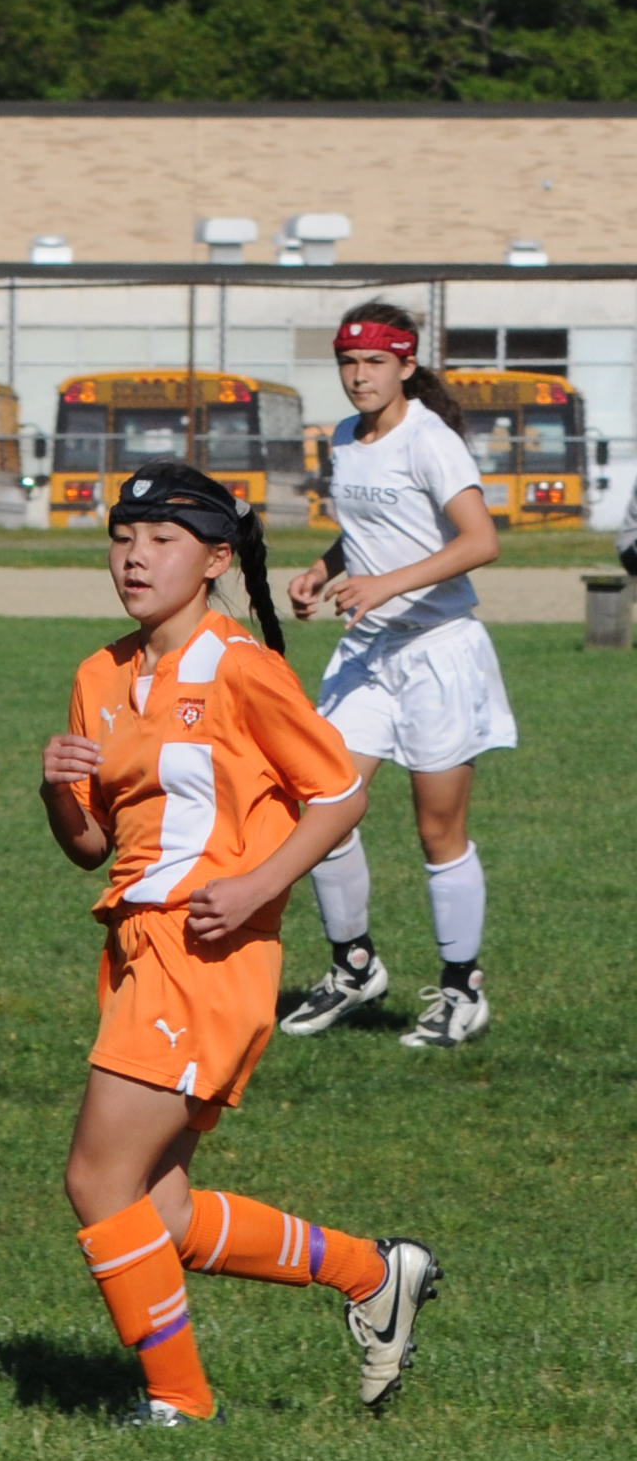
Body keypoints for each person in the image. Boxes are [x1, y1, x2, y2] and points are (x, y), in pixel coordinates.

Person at [41, 464, 434, 1426]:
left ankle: (179, 1403)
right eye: (122, 538)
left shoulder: (242, 666)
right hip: (136, 946)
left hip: (207, 956)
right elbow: (91, 848)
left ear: (217, 560)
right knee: (159, 1210)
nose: (134, 558)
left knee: (97, 1179)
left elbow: (339, 794)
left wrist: (259, 885)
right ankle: (373, 1273)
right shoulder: (100, 674)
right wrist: (56, 788)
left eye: (161, 541)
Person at [277, 304, 511, 1049]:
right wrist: (323, 569)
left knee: (438, 829)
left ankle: (462, 991)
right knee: (324, 803)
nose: (359, 376)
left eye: (375, 362)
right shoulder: (347, 436)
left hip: (439, 652)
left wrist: (387, 584)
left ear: (406, 366)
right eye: (348, 362)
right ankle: (354, 967)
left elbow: (481, 541)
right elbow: (368, 530)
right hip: (368, 653)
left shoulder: (430, 439)